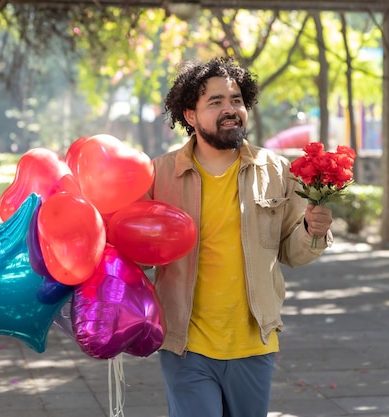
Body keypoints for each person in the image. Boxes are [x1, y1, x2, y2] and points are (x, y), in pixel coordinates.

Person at [144, 56, 334, 417]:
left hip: (254, 343)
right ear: (190, 115)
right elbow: (137, 252)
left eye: (236, 100)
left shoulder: (277, 171)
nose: (230, 110)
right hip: (186, 345)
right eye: (215, 102)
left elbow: (292, 252)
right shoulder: (160, 175)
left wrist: (313, 230)